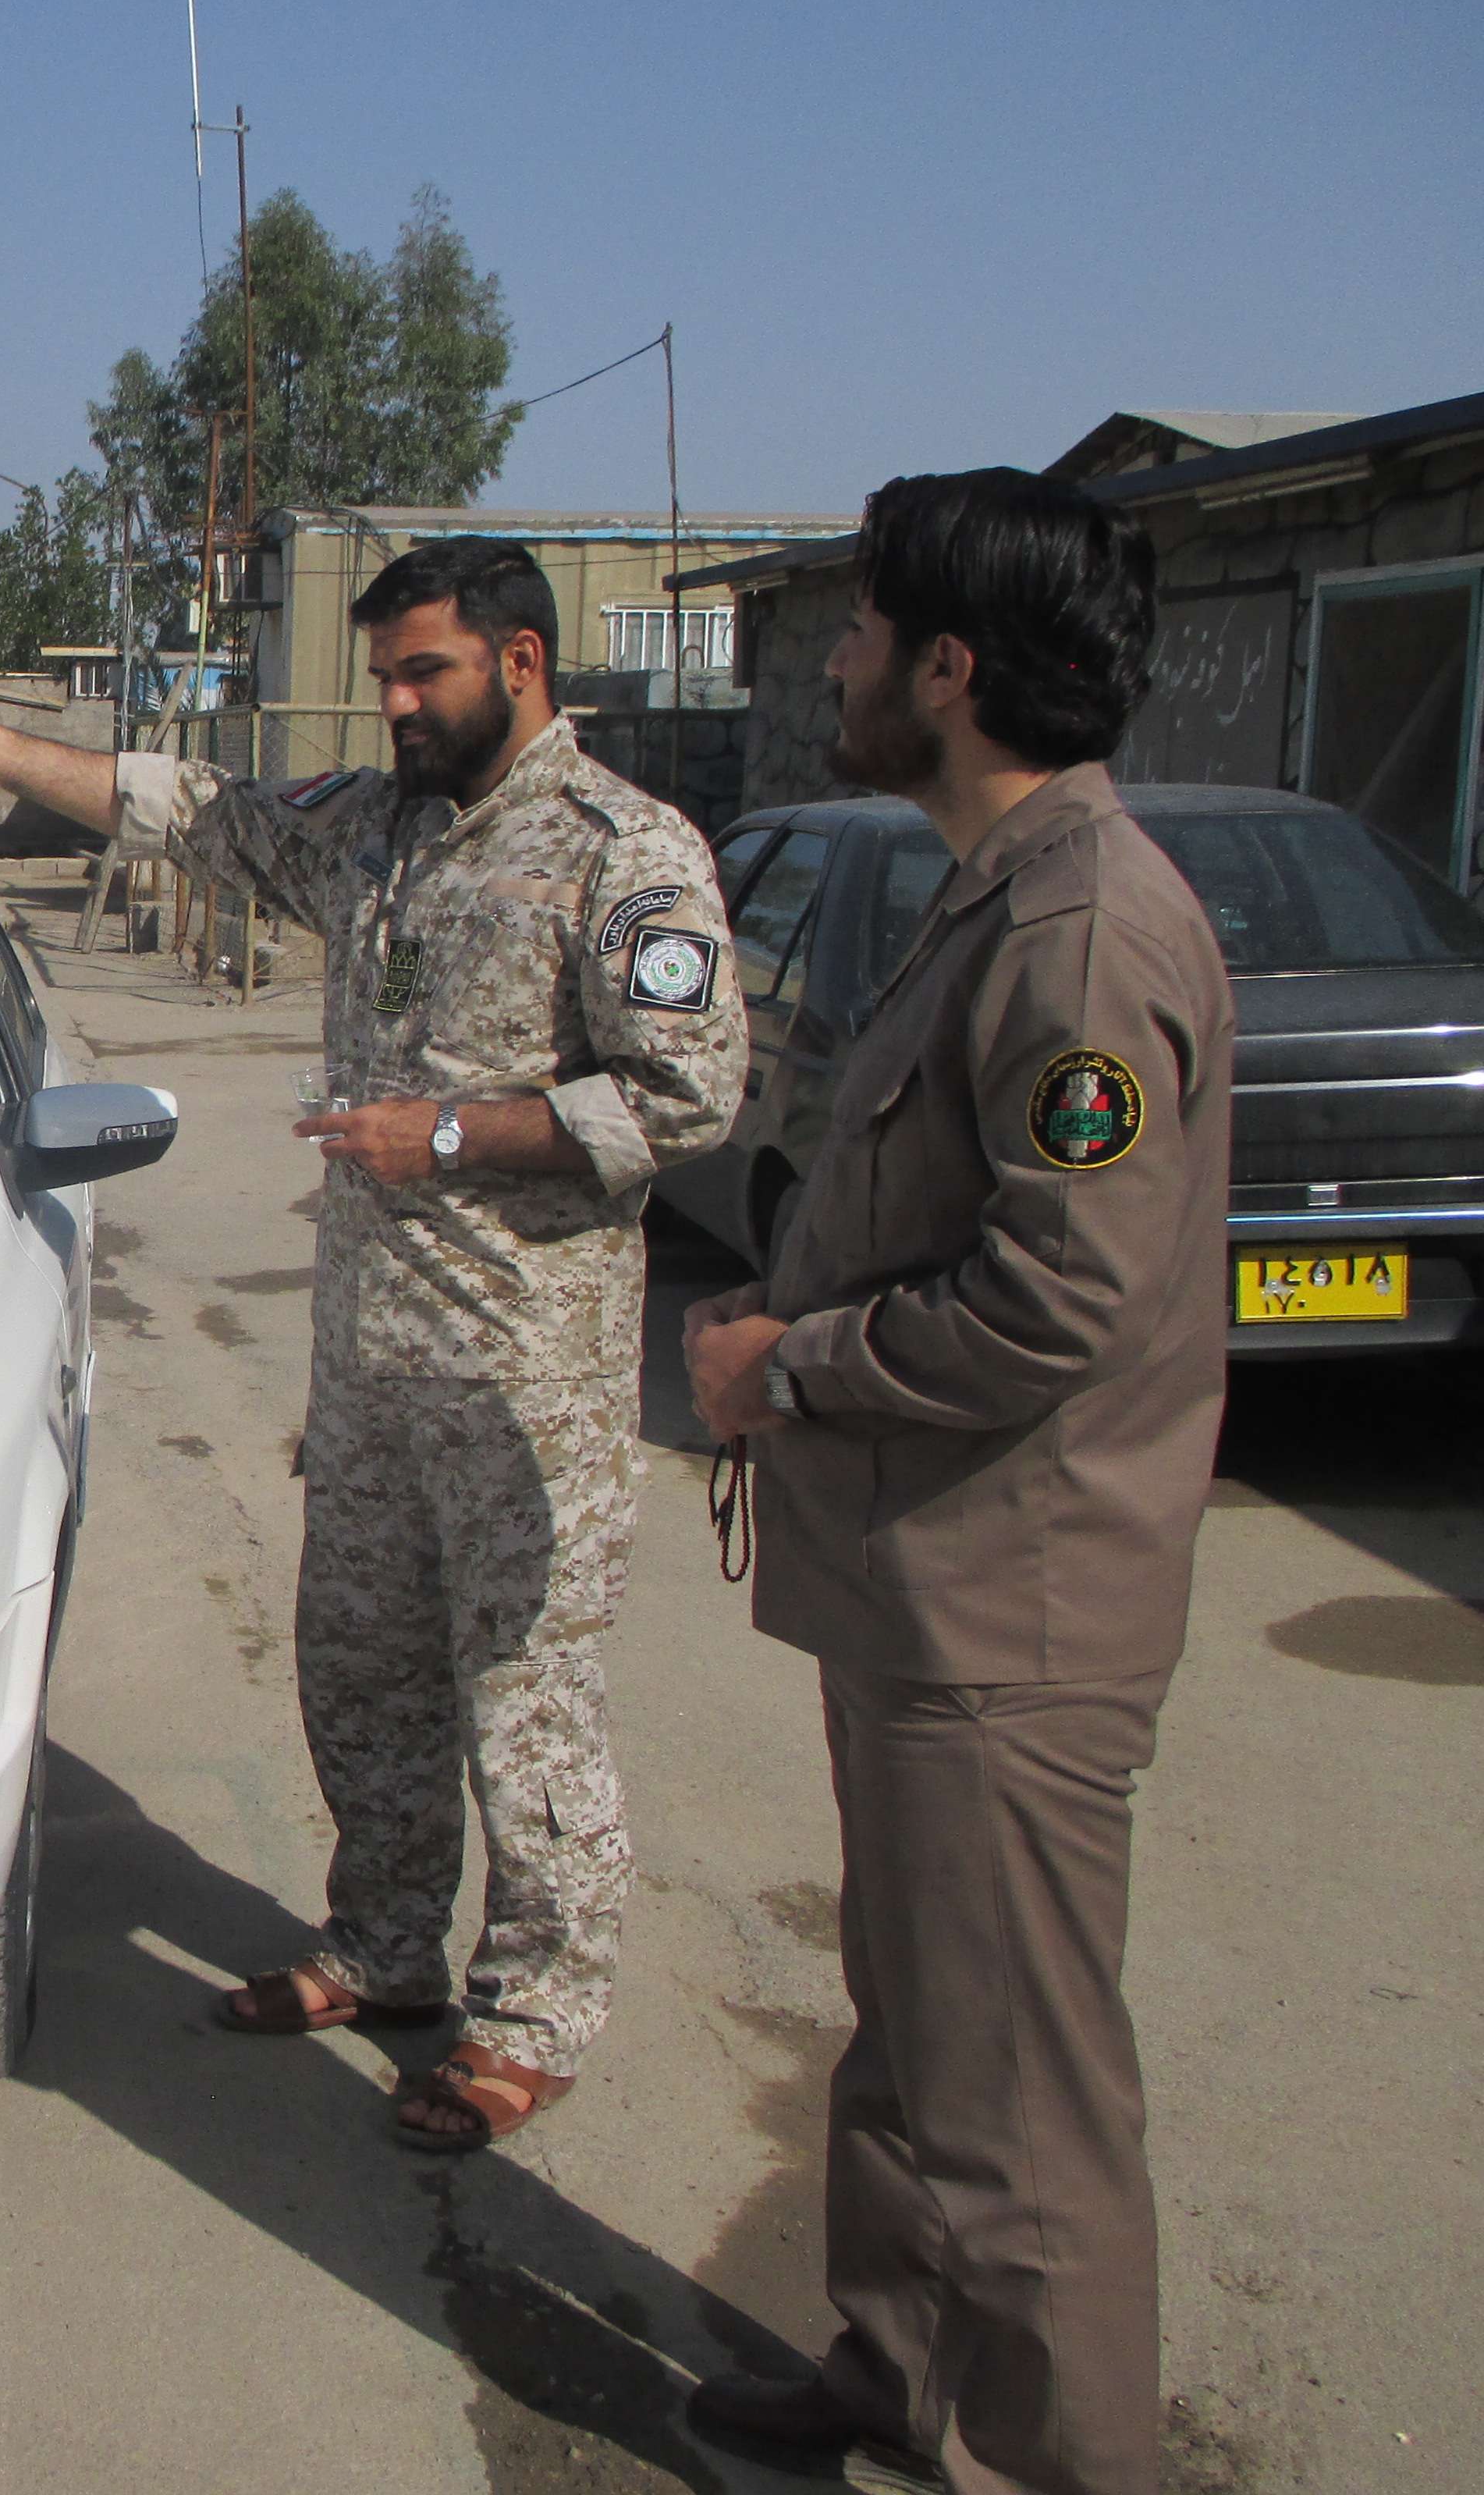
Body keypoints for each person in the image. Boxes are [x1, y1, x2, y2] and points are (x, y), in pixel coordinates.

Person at [0, 537, 744, 2148]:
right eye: (384, 679)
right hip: (370, 1358)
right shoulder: (380, 834)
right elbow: (197, 813)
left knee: (525, 1695)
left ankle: (538, 2011)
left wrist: (449, 1137)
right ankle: (384, 1946)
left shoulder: (622, 854)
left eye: (425, 673)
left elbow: (688, 1094)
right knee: (358, 1669)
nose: (398, 706)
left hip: (526, 1373)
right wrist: (0, 753)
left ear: (522, 662)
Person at [680, 471, 1230, 2495]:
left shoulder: (1086, 933)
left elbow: (1055, 1300)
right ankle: (895, 2383)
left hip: (1017, 1623)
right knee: (919, 2046)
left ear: (951, 667)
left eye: (856, 628)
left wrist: (782, 1365)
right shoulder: (993, 889)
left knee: (1022, 2131)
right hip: (936, 1600)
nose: (830, 660)